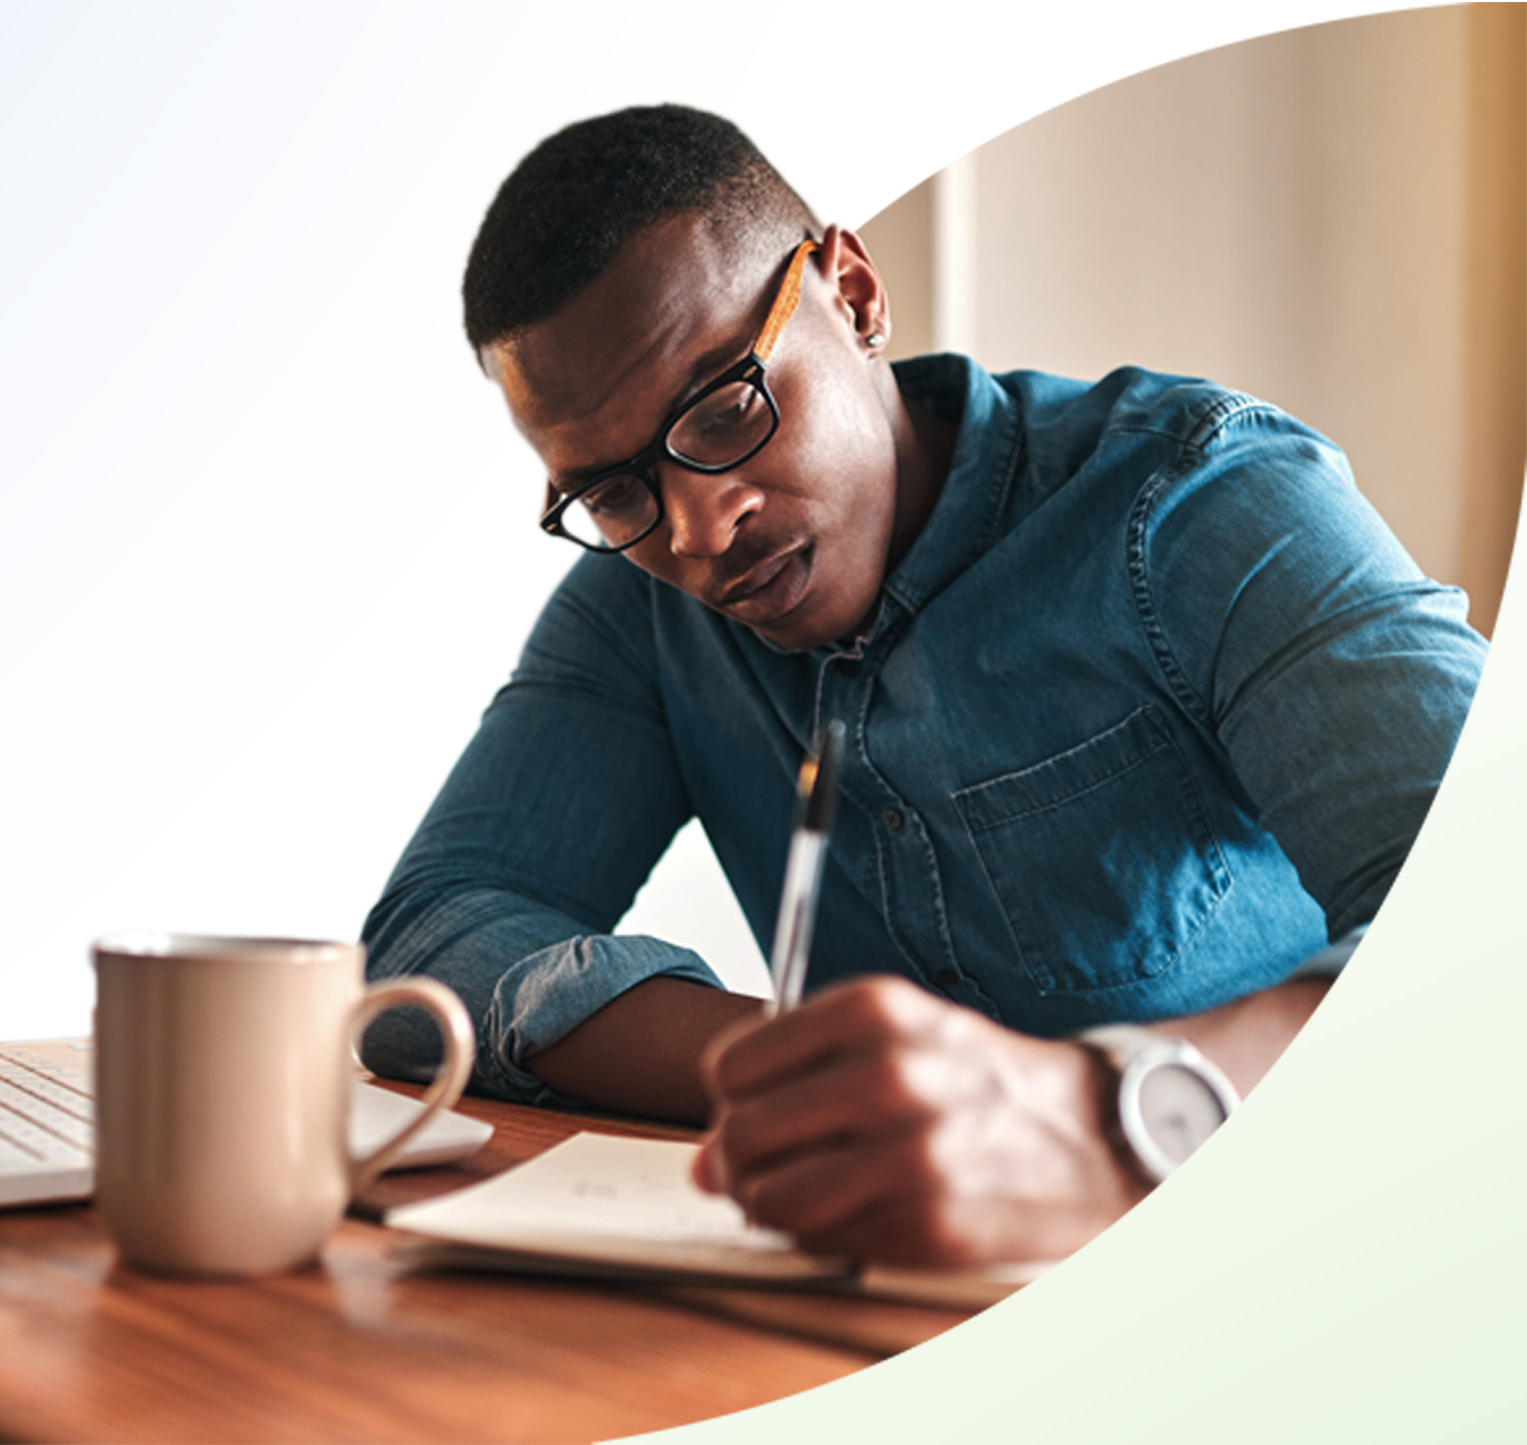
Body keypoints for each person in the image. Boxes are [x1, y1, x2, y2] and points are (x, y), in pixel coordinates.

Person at [359, 104, 1487, 1267]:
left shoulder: (1202, 502)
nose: (700, 529)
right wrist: (809, 1074)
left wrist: (1108, 1117)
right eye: (609, 491)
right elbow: (425, 944)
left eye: (725, 407)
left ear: (852, 295)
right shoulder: (641, 606)